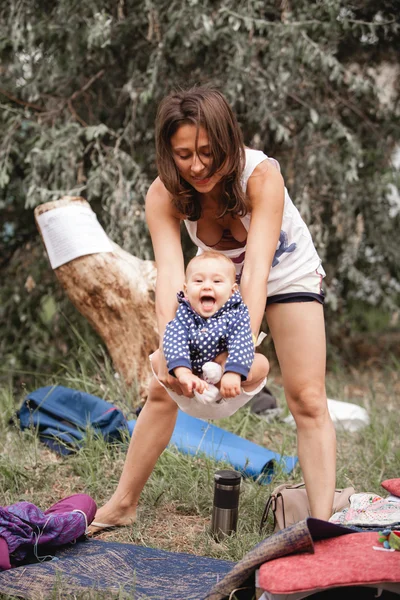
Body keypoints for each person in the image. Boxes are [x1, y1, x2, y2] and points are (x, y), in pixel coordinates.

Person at [89, 86, 336, 533]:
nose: (197, 166)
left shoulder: (261, 177)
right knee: (165, 384)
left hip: (283, 274)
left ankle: (323, 525)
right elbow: (170, 277)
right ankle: (123, 504)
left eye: (207, 152)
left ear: (226, 140)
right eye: (183, 154)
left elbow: (257, 273)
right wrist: (172, 350)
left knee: (307, 397)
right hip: (216, 283)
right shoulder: (164, 194)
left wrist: (234, 359)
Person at [156, 250, 269, 419]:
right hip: (192, 374)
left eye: (217, 281)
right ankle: (201, 384)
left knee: (262, 363)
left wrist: (234, 372)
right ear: (186, 290)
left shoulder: (236, 313)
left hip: (228, 375)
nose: (207, 286)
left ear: (232, 291)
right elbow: (175, 339)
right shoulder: (185, 314)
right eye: (198, 281)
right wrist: (183, 372)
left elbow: (241, 339)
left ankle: (219, 376)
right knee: (159, 357)